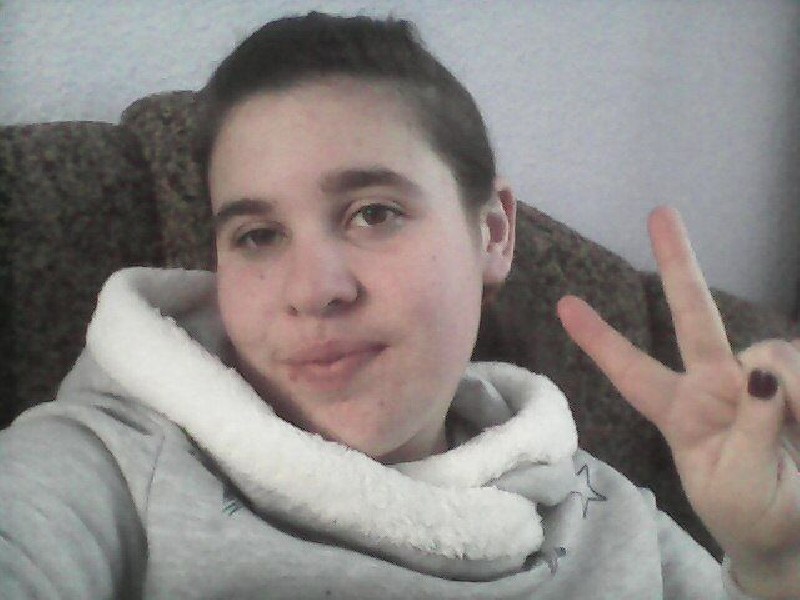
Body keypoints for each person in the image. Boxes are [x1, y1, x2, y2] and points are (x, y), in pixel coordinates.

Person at [1, 11, 798, 599]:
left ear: (493, 232)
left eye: (373, 213)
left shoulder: (612, 513)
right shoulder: (110, 464)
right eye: (257, 236)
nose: (315, 290)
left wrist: (774, 566)